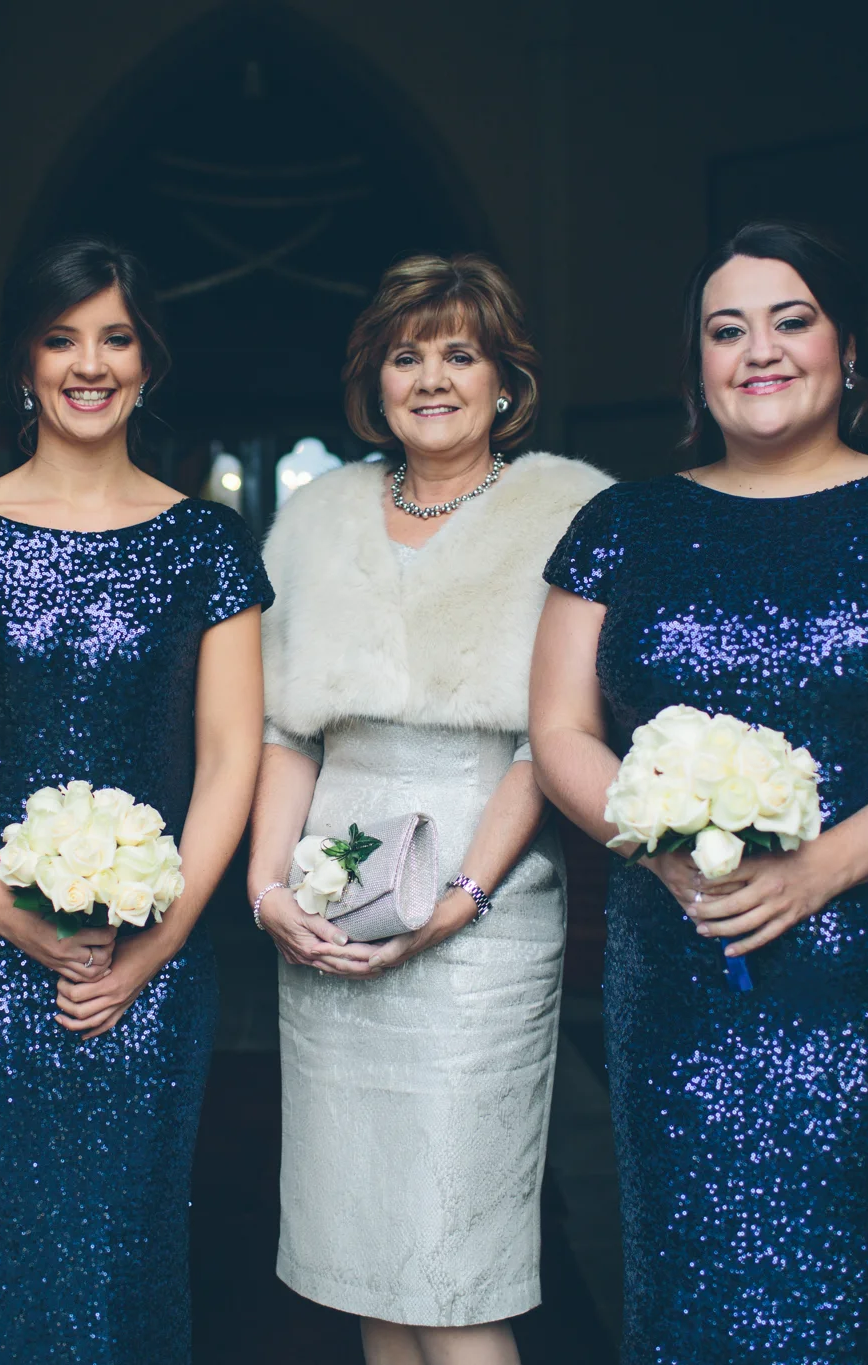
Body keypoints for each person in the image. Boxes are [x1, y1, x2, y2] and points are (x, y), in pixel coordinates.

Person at [528, 221, 868, 1362]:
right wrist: (657, 843)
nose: (757, 350)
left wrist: (820, 868)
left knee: (855, 1302)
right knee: (689, 1292)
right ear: (696, 367)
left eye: (790, 320)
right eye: (726, 330)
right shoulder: (621, 528)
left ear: (847, 350)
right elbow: (560, 731)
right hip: (682, 979)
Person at [0, 237, 269, 1362]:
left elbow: (231, 753)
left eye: (114, 338)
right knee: (2, 1238)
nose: (88, 364)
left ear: (147, 364)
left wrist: (159, 944)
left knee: (132, 1238)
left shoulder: (205, 543)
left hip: (157, 947)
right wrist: (2, 915)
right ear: (22, 363)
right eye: (60, 339)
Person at [248, 253, 612, 1365]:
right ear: (374, 381)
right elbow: (283, 733)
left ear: (505, 378)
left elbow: (545, 742)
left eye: (460, 353)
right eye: (406, 355)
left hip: (485, 909)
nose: (432, 378)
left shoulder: (569, 507)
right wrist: (268, 887)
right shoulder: (314, 521)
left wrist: (460, 897)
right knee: (367, 1258)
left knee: (454, 1267)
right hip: (333, 902)